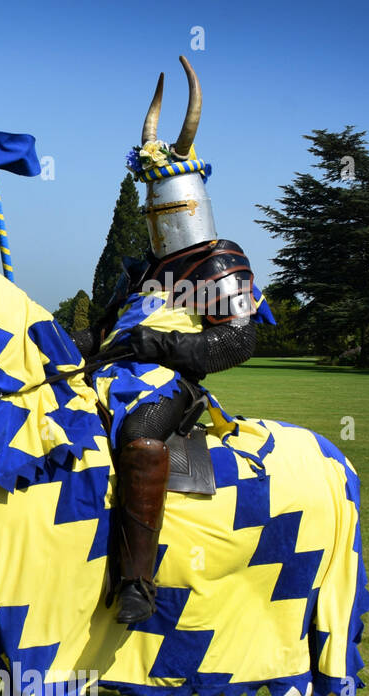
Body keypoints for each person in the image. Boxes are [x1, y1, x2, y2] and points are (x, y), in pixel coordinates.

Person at [80, 58, 275, 624]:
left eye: (163, 210)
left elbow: (236, 343)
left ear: (186, 207)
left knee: (141, 440)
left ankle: (138, 583)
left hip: (174, 388)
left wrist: (157, 348)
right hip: (109, 376)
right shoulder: (143, 267)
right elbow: (104, 329)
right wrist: (51, 340)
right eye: (151, 210)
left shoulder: (218, 262)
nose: (155, 220)